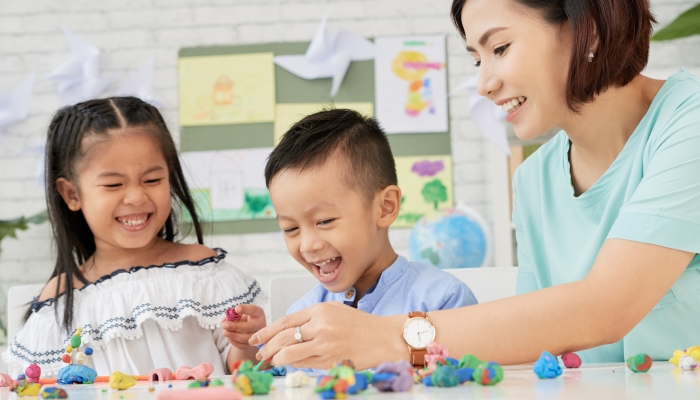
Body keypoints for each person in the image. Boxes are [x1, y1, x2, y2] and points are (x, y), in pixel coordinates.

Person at [247, 0, 700, 370]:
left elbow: (605, 307)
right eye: (476, 58)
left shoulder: (689, 120)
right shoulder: (535, 180)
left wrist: (387, 336)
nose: (484, 83)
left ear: (591, 29)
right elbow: (543, 343)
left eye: (499, 47)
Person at [1, 97, 266, 377]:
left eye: (152, 180)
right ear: (72, 194)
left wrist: (247, 340)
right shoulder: (63, 298)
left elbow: (242, 371)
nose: (137, 196)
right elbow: (38, 385)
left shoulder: (203, 272)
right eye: (114, 184)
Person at [222, 109, 478, 368]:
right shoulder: (300, 319)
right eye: (290, 229)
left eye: (324, 221)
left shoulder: (445, 299)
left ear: (385, 207)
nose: (308, 245)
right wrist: (255, 345)